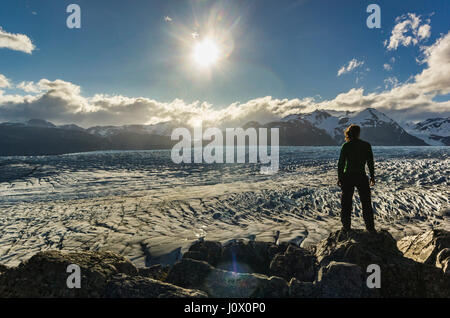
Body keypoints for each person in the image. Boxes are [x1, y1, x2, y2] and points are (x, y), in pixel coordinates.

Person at [337, 124, 376, 233]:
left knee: (346, 204)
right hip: (361, 176)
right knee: (366, 203)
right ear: (358, 133)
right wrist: (372, 176)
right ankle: (370, 228)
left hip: (348, 177)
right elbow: (370, 163)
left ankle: (346, 227)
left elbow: (341, 163)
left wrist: (340, 177)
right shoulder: (366, 145)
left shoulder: (346, 146)